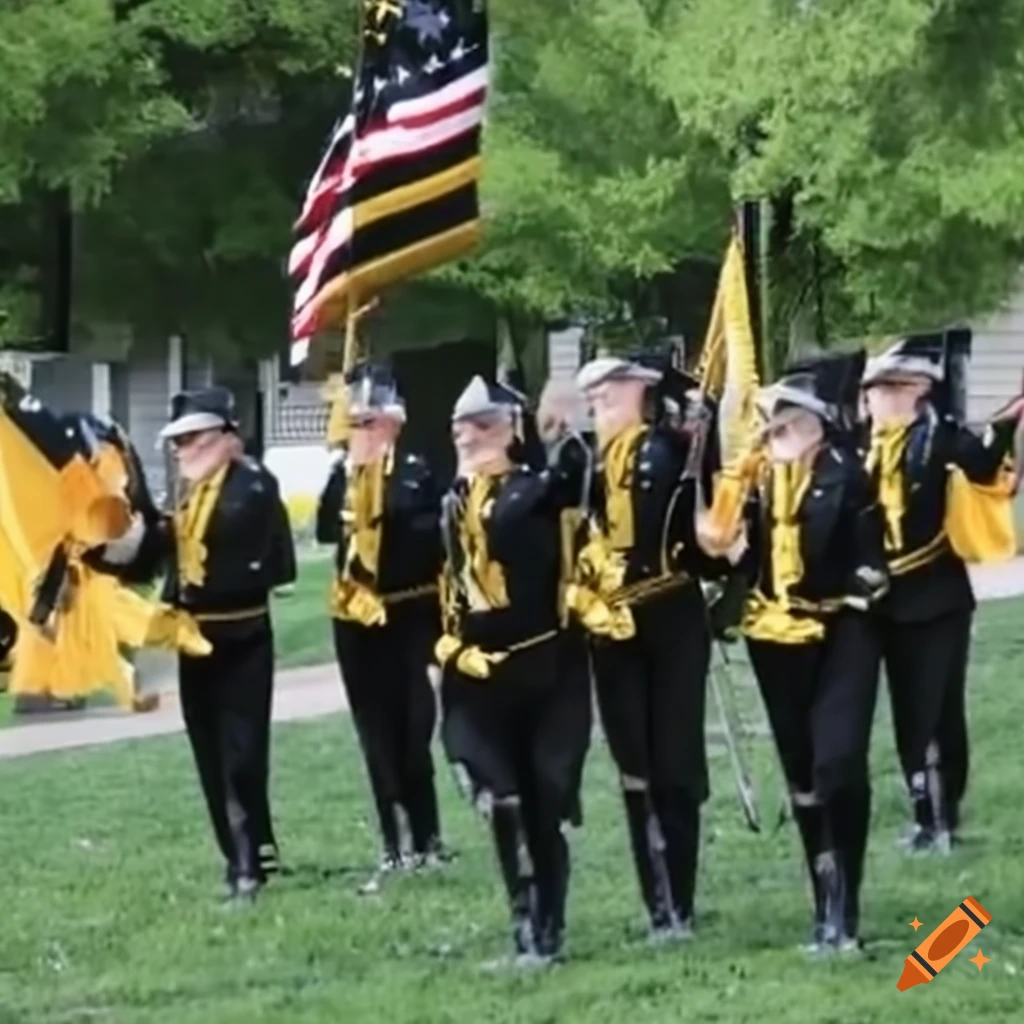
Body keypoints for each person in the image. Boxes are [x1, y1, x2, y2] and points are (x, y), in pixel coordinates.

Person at [105, 387, 296, 902]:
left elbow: (238, 541)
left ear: (224, 437)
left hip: (240, 636)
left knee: (241, 753)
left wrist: (161, 526)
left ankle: (249, 864)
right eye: (177, 440)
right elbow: (165, 550)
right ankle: (242, 856)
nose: (180, 449)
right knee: (209, 753)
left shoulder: (248, 486)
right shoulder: (196, 492)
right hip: (194, 641)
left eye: (191, 438)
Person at [728, 353, 888, 954]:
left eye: (787, 424)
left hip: (841, 633)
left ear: (818, 423)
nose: (775, 436)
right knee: (802, 774)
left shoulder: (850, 473)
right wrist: (730, 549)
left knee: (837, 762)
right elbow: (752, 566)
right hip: (776, 639)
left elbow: (872, 561)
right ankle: (823, 902)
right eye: (770, 428)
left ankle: (847, 904)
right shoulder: (760, 483)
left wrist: (852, 599)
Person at [437, 376, 591, 967]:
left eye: (484, 426)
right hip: (480, 673)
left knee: (541, 798)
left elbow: (576, 482)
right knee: (501, 797)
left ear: (512, 430)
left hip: (545, 667)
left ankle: (548, 925)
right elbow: (450, 586)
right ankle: (525, 924)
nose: (470, 438)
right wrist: (447, 656)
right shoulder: (452, 504)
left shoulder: (536, 492)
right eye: (460, 429)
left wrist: (565, 427)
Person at [573, 354, 723, 943]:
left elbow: (704, 527)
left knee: (673, 760)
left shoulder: (673, 450)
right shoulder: (586, 463)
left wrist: (706, 445)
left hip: (669, 615)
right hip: (609, 625)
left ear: (642, 389)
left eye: (611, 389)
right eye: (595, 393)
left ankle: (680, 900)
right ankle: (656, 902)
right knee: (632, 761)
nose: (600, 399)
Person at [860, 333, 1022, 853]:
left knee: (935, 709)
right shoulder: (866, 447)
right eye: (872, 389)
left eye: (887, 388)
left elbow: (986, 467)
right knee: (907, 711)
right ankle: (923, 814)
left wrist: (1005, 426)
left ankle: (940, 816)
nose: (875, 398)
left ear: (917, 390)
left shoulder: (942, 439)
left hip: (936, 599)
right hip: (882, 603)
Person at [315, 362, 449, 886]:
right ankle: (395, 842)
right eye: (355, 424)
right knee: (375, 732)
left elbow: (423, 532)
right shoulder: (344, 475)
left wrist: (376, 496)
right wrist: (341, 478)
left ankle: (429, 834)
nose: (361, 434)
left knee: (414, 726)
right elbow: (326, 531)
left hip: (409, 611)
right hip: (356, 617)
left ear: (393, 424)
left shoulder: (414, 469)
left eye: (369, 423)